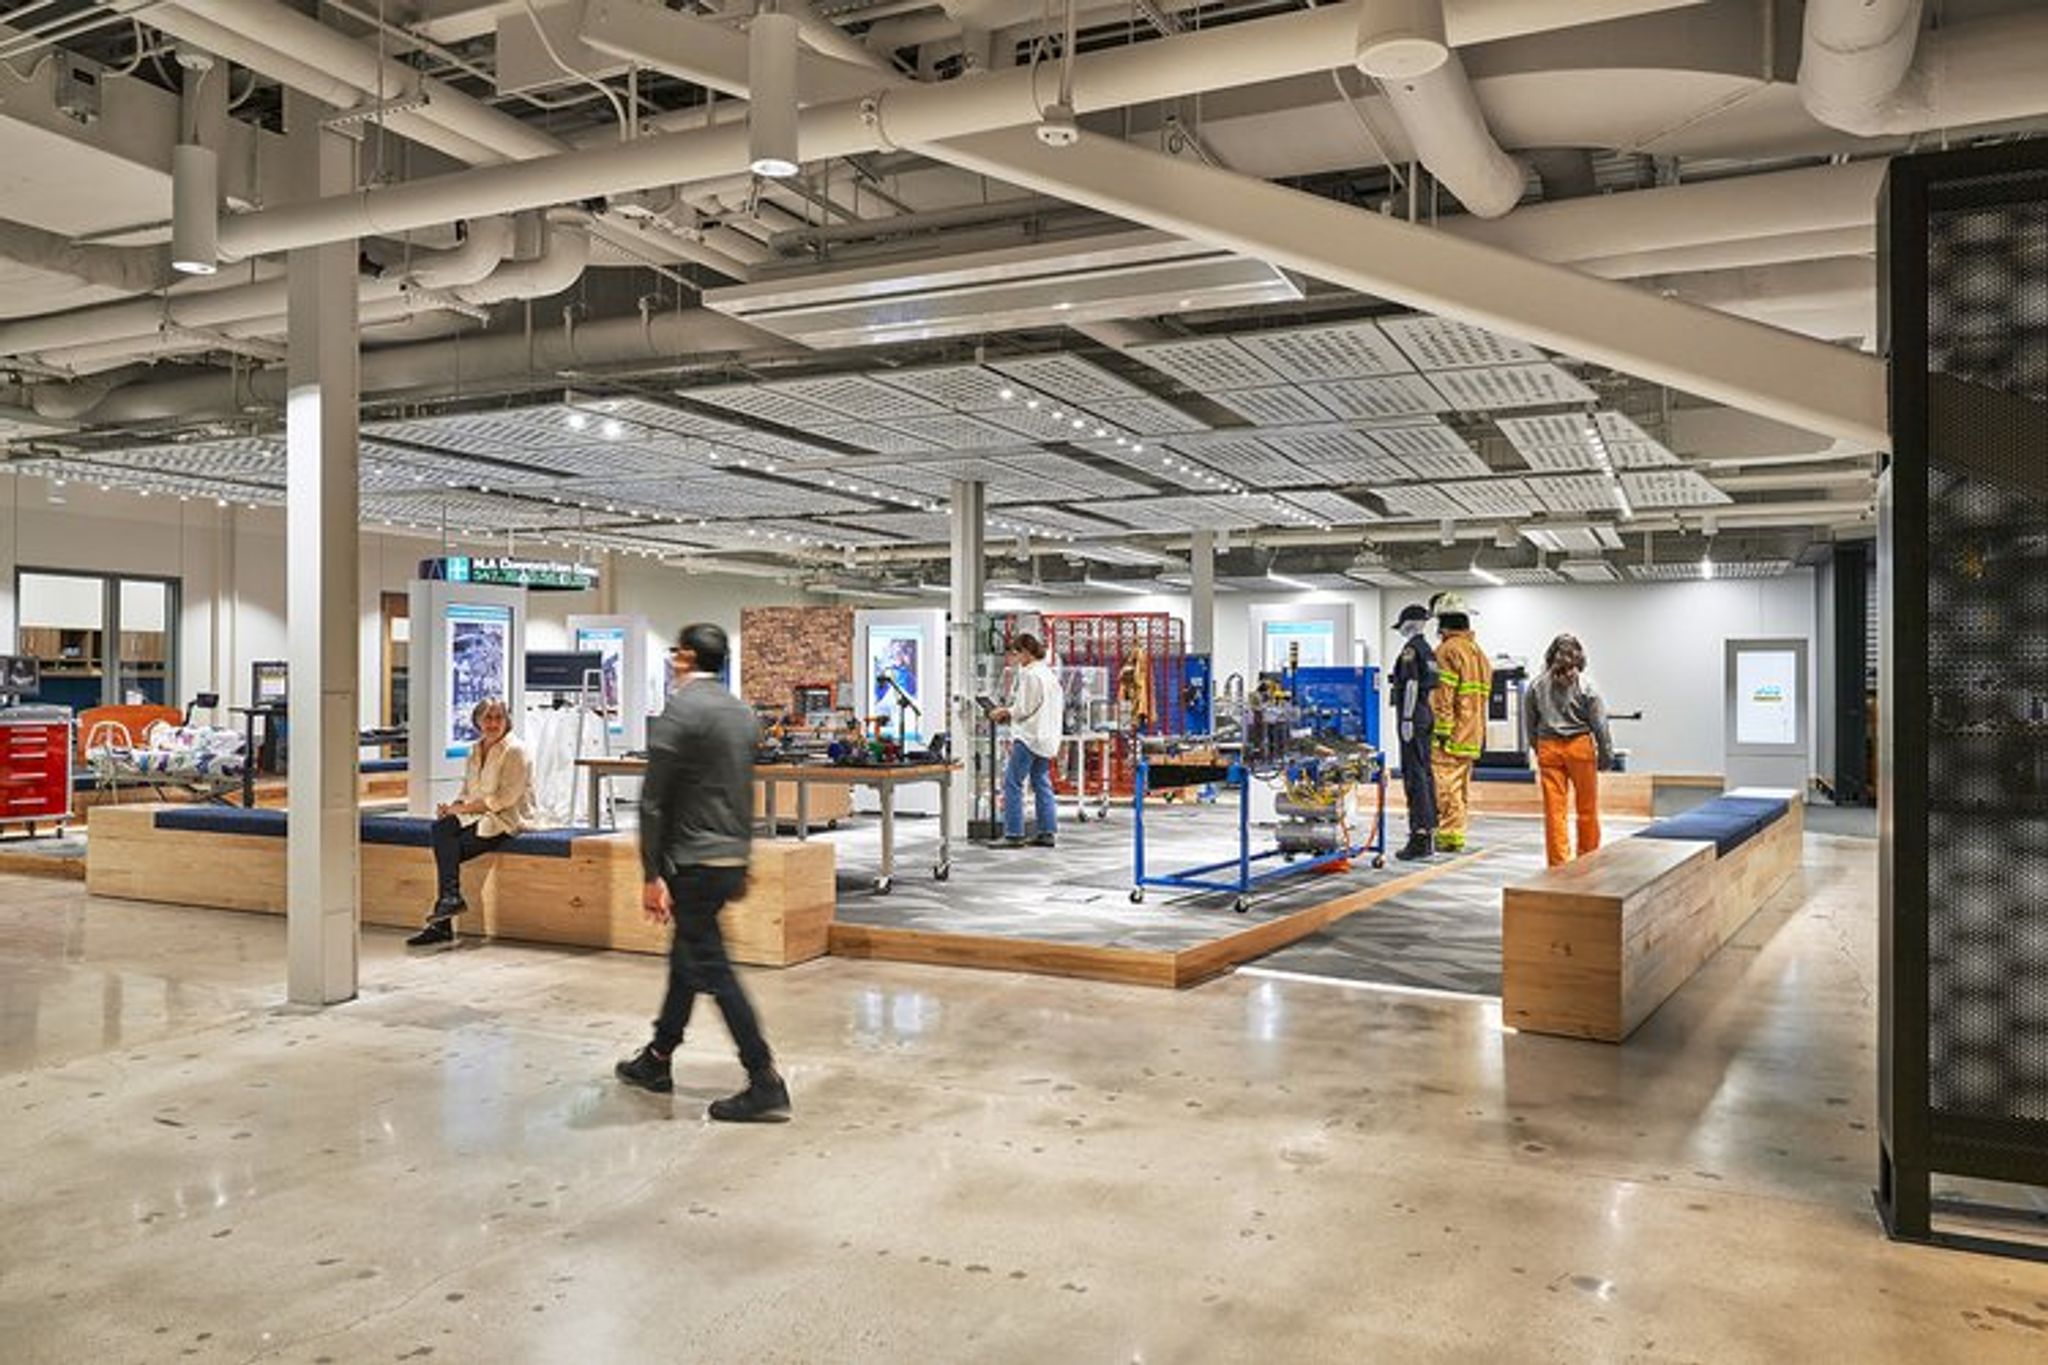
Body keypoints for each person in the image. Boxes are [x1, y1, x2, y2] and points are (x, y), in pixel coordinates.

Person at [615, 623, 791, 1123]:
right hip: (728, 856)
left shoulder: (681, 711)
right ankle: (658, 1057)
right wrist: (743, 858)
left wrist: (651, 873)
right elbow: (741, 791)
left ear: (686, 657)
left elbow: (653, 801)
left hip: (692, 860)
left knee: (712, 968)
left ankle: (763, 1078)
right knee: (687, 957)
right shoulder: (741, 714)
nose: (673, 660)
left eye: (676, 653)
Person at [407, 697, 534, 949]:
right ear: (477, 721)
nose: (493, 723)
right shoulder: (474, 750)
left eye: (499, 717)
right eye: (488, 718)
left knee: (447, 851)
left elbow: (504, 799)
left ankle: (443, 921)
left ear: (507, 720)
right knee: (441, 827)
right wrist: (453, 807)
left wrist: (462, 808)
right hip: (478, 815)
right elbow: (468, 790)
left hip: (506, 819)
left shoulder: (516, 750)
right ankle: (450, 899)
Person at [1525, 632, 1616, 868]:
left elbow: (1530, 725)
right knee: (1587, 808)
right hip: (1580, 749)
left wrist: (1539, 749)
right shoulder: (1588, 687)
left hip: (1548, 748)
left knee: (1555, 812)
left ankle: (1558, 864)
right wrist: (1606, 757)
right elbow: (1600, 726)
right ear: (1579, 657)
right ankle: (1588, 859)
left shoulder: (1535, 686)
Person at [1429, 593, 1492, 855]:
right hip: (1472, 732)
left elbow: (1443, 695)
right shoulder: (1477, 652)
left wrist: (1441, 730)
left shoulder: (1447, 650)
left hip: (1451, 734)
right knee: (1460, 785)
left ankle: (1449, 835)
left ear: (1443, 622)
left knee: (1445, 784)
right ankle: (1456, 832)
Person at [989, 633, 1061, 849]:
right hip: (1045, 737)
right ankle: (1047, 832)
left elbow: (1023, 709)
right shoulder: (1048, 674)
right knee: (1041, 782)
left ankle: (1013, 833)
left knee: (1012, 782)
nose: (1014, 657)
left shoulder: (1031, 676)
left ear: (1027, 652)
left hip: (1028, 737)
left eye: (1017, 652)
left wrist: (1004, 711)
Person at [1388, 603, 1440, 861]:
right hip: (1424, 713)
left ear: (1409, 624)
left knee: (1414, 775)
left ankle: (1419, 836)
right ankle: (1429, 833)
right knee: (1425, 773)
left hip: (1413, 714)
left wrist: (1406, 717)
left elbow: (1410, 684)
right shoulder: (1428, 650)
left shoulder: (1411, 650)